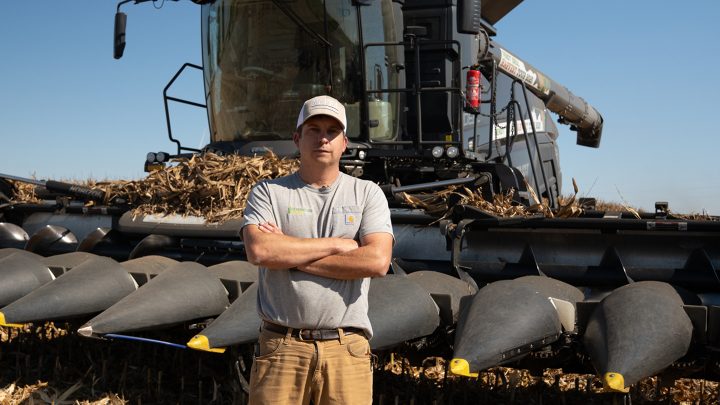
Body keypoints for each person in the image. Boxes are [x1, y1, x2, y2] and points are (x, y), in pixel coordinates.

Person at [240, 95, 394, 405]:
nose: (322, 138)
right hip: (281, 347)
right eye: (313, 129)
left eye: (332, 131)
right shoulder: (267, 192)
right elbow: (260, 252)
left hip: (346, 348)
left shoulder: (367, 194)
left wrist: (290, 257)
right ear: (297, 139)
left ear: (344, 142)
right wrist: (340, 246)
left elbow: (377, 261)